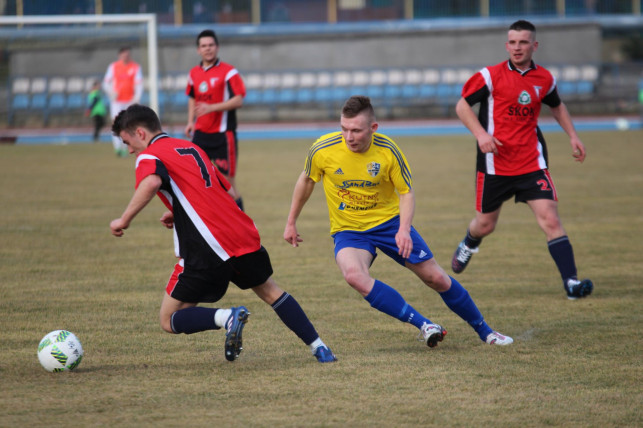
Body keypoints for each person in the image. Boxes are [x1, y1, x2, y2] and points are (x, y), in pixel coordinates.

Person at [109, 104, 336, 363]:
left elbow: (151, 182)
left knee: (169, 319)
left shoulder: (150, 156)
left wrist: (124, 219)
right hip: (240, 233)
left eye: (127, 142)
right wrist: (178, 210)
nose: (129, 150)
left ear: (140, 132)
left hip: (208, 245)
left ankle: (226, 318)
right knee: (271, 292)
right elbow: (225, 192)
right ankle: (319, 347)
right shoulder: (193, 148)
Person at [284, 95, 512, 348]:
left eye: (356, 130)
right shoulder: (323, 149)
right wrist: (291, 221)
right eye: (344, 129)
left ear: (373, 128)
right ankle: (425, 325)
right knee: (354, 276)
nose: (349, 137)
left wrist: (403, 230)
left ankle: (487, 332)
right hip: (349, 230)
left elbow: (406, 192)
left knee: (435, 278)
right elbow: (306, 180)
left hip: (390, 224)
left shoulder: (388, 151)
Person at [451, 20, 593, 300]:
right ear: (507, 45)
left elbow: (557, 106)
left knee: (550, 220)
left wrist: (573, 136)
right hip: (495, 164)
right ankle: (469, 242)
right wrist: (481, 135)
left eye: (523, 42)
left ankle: (571, 283)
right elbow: (462, 105)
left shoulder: (545, 79)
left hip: (531, 163)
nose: (517, 47)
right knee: (485, 225)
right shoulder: (489, 76)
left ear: (534, 45)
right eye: (513, 42)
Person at [185, 30, 245, 211]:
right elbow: (192, 97)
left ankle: (242, 225)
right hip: (201, 135)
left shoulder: (229, 72)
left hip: (223, 136)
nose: (207, 49)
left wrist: (211, 107)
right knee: (193, 178)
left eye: (211, 45)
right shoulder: (194, 73)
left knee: (227, 184)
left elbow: (239, 100)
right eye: (203, 46)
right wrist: (190, 121)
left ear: (217, 47)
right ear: (198, 50)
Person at [103, 46, 143, 157]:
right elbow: (106, 83)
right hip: (117, 101)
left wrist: (137, 97)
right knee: (116, 124)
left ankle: (126, 147)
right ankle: (117, 148)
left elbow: (139, 83)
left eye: (128, 55)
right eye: (124, 55)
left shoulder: (135, 67)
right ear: (119, 55)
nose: (126, 57)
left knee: (128, 125)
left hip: (129, 101)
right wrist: (111, 92)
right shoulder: (113, 67)